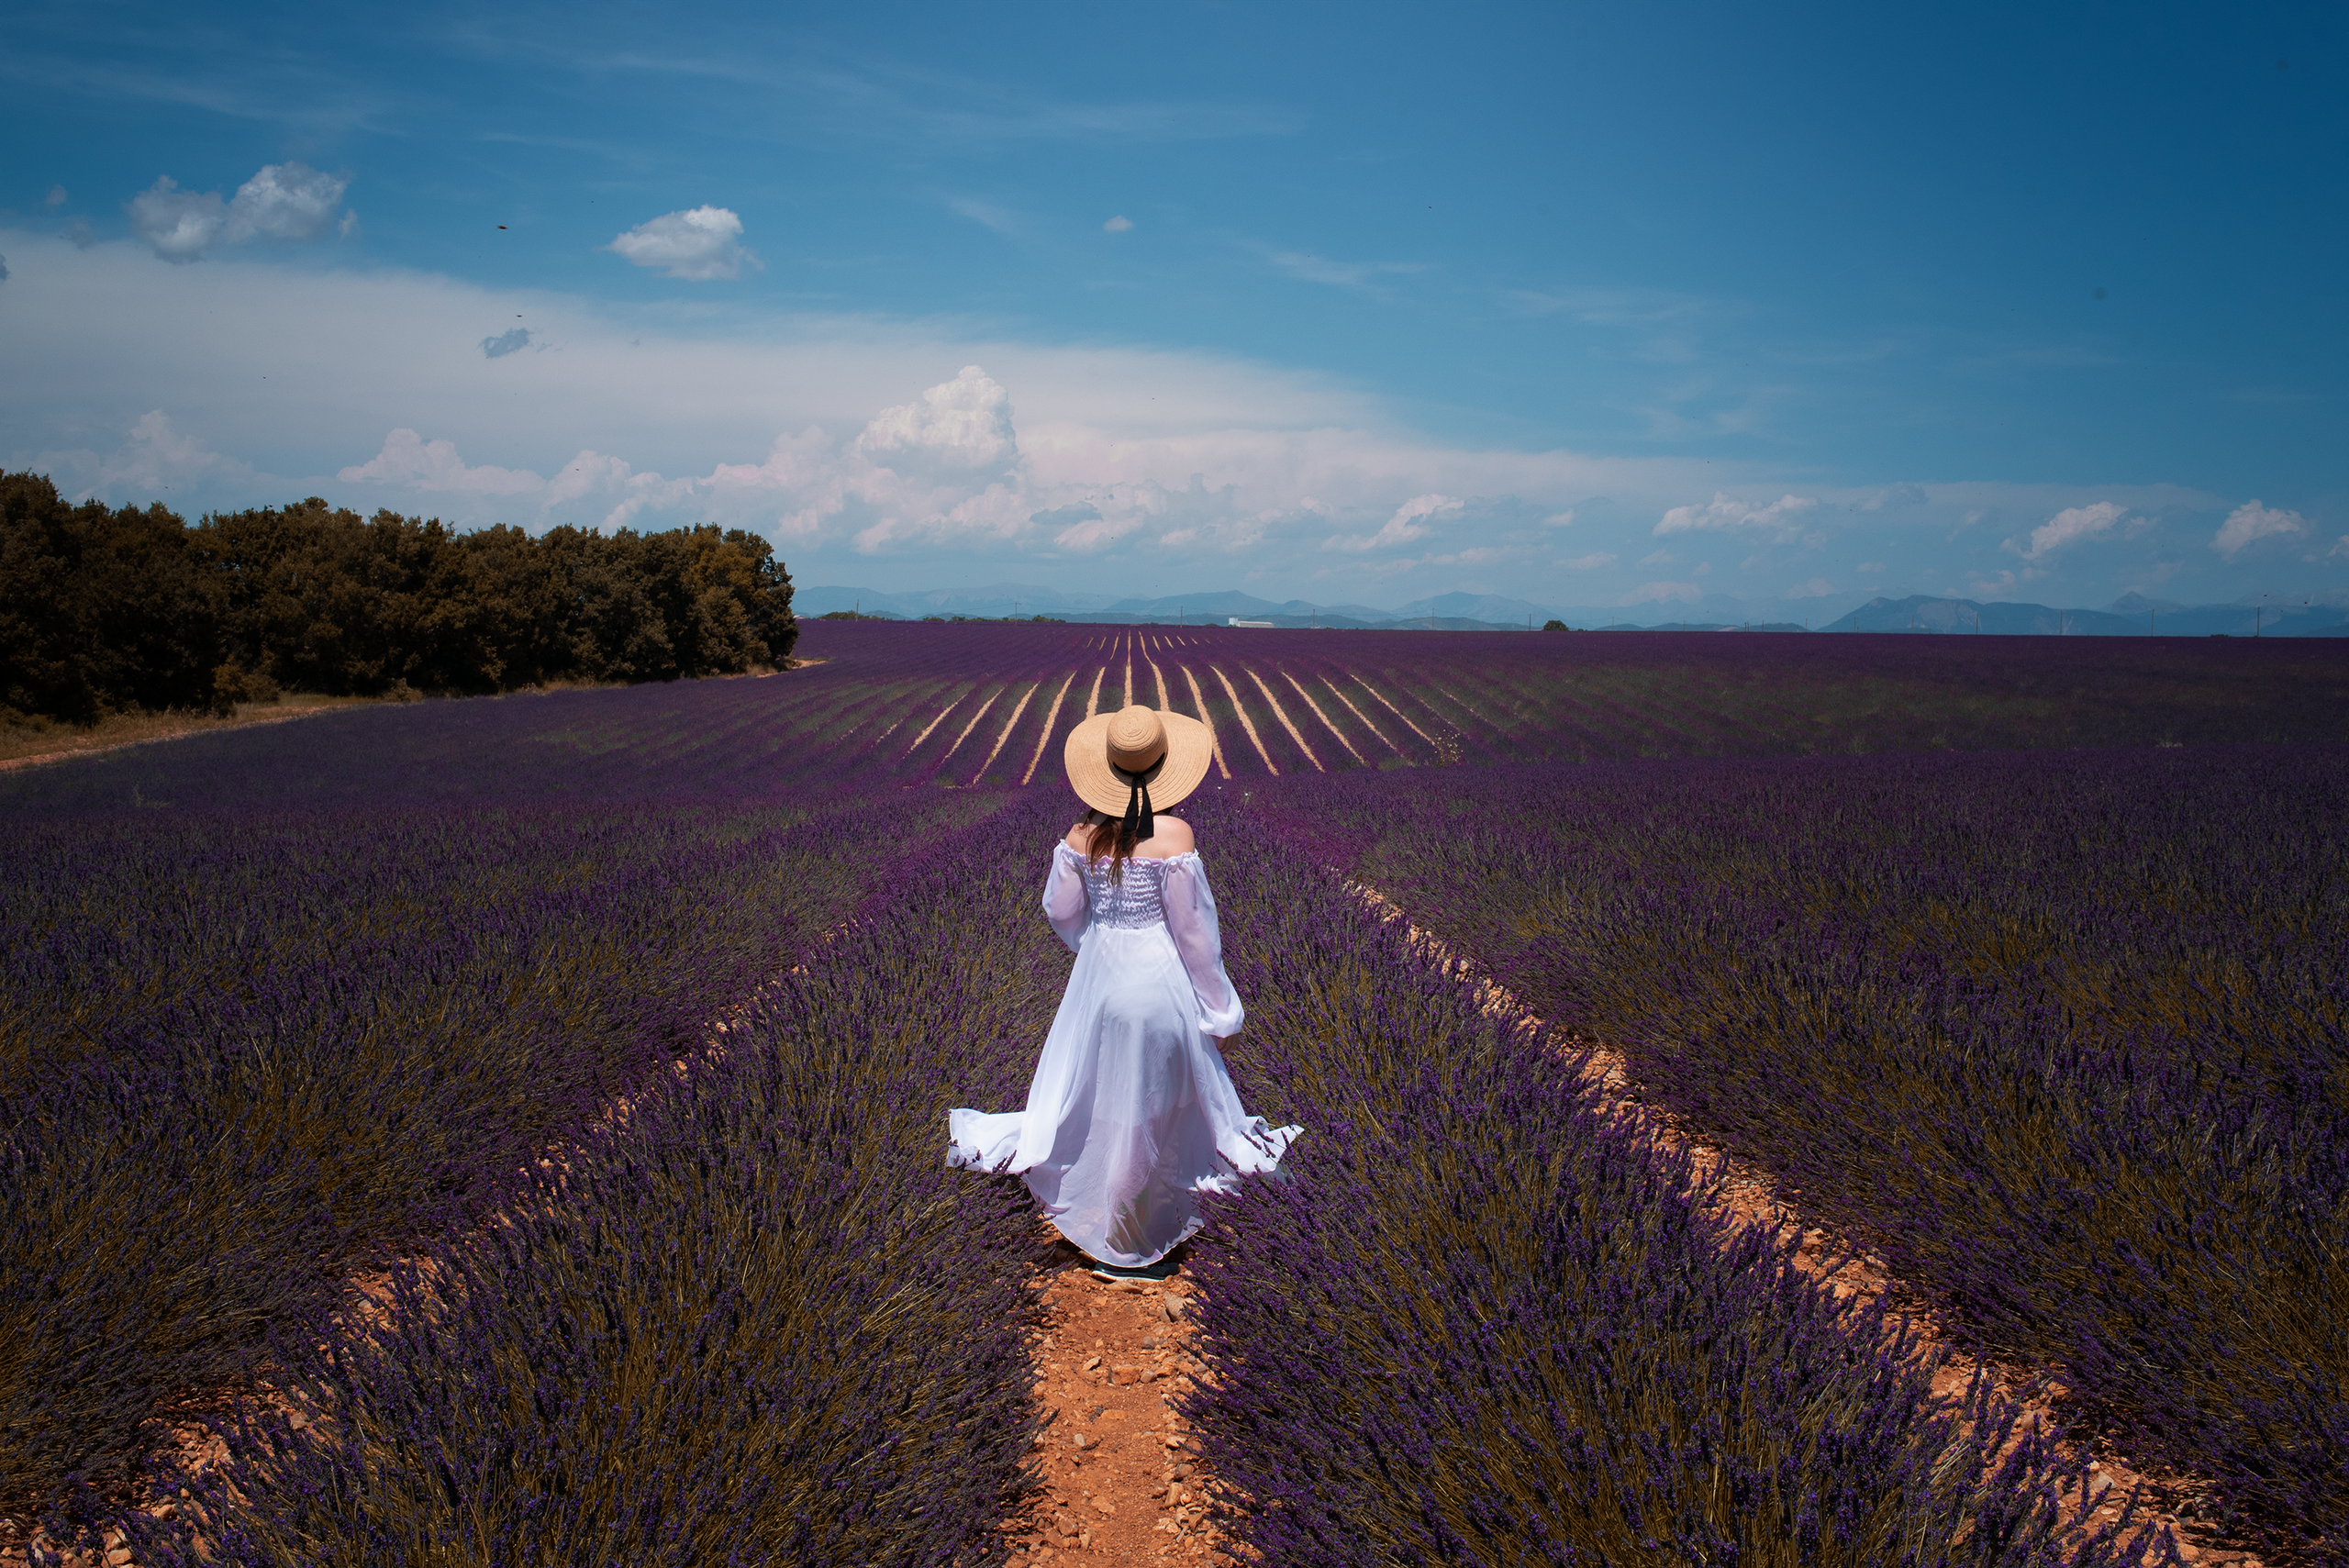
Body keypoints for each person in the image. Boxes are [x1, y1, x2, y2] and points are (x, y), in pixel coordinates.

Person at [947, 704, 1300, 1282]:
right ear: (1163, 767)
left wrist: (1095, 946)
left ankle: (1105, 1212)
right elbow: (1196, 938)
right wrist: (1222, 1014)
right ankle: (1131, 1240)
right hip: (1159, 986)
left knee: (1103, 1103)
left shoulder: (1079, 836)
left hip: (1100, 986)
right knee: (1158, 1108)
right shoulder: (1175, 835)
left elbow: (1060, 910)